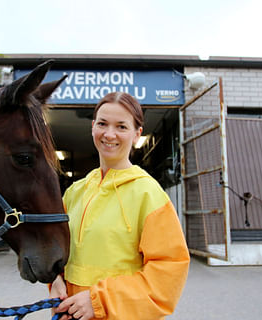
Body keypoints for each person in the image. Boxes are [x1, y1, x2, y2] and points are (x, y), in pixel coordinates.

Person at [50, 92, 190, 320]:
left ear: (137, 135)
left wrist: (98, 301)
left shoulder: (149, 194)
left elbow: (169, 271)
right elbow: (54, 249)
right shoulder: (74, 193)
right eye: (103, 124)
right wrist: (54, 282)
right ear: (93, 126)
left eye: (122, 127)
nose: (109, 134)